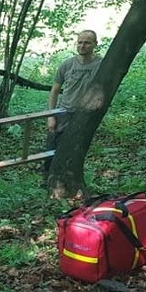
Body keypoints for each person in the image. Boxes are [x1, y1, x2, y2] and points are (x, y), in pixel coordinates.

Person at [43, 29, 102, 180]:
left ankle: (69, 179)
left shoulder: (102, 66)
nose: (82, 46)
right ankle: (48, 179)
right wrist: (51, 115)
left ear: (95, 44)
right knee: (52, 149)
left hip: (85, 114)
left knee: (75, 149)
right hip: (64, 112)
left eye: (87, 43)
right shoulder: (67, 65)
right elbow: (54, 91)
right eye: (80, 42)